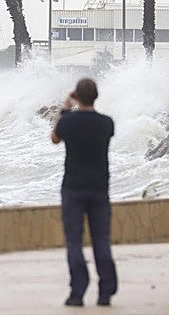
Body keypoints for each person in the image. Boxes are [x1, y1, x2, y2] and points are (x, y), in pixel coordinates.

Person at [51, 78, 118, 307]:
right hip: (99, 188)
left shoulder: (68, 122)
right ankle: (105, 292)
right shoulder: (106, 123)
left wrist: (65, 109)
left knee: (74, 241)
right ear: (96, 96)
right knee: (101, 240)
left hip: (73, 189)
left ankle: (77, 293)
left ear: (77, 96)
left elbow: (54, 138)